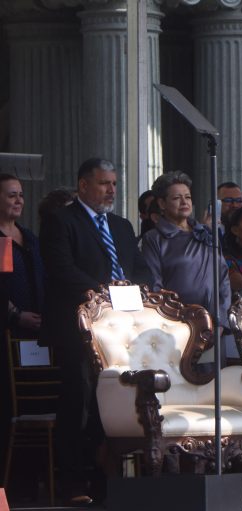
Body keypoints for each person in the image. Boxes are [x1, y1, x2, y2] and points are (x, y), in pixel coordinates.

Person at [39, 158, 149, 505]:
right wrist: (107, 295)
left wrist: (139, 294)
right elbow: (63, 271)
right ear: (83, 185)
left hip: (121, 331)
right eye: (103, 183)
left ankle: (107, 476)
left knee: (114, 402)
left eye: (114, 183)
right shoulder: (61, 221)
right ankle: (74, 480)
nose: (111, 190)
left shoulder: (121, 225)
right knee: (80, 401)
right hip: (78, 330)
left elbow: (138, 269)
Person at [141, 171, 231, 326]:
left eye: (187, 197)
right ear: (162, 204)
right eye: (176, 198)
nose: (184, 202)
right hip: (177, 323)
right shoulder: (154, 237)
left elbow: (223, 277)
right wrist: (170, 320)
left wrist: (221, 319)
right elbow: (154, 284)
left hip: (214, 323)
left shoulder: (205, 233)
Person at [0, 174, 44, 338]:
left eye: (21, 195)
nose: (19, 201)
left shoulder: (30, 237)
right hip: (8, 331)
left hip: (37, 330)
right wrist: (15, 315)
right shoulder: (1, 239)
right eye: (12, 196)